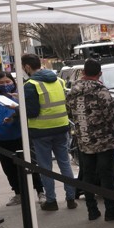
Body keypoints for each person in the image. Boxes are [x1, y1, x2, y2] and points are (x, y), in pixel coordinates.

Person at [65, 59, 114, 222]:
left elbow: (69, 112)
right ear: (99, 73)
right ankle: (110, 209)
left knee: (88, 175)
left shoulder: (72, 91)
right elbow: (111, 114)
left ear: (83, 72)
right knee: (106, 175)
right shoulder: (100, 90)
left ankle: (92, 210)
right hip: (102, 140)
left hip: (84, 139)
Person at [20, 53, 78, 211]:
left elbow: (31, 112)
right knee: (65, 164)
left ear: (27, 67)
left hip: (41, 131)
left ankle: (51, 201)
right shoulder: (58, 81)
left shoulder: (30, 85)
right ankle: (71, 198)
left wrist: (18, 106)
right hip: (62, 127)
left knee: (45, 167)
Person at [0, 71, 45, 205]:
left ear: (13, 82)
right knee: (9, 168)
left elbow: (28, 112)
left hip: (21, 136)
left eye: (8, 82)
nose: (5, 85)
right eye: (1, 83)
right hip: (1, 138)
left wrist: (14, 114)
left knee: (30, 165)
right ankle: (18, 193)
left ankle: (40, 191)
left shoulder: (19, 95)